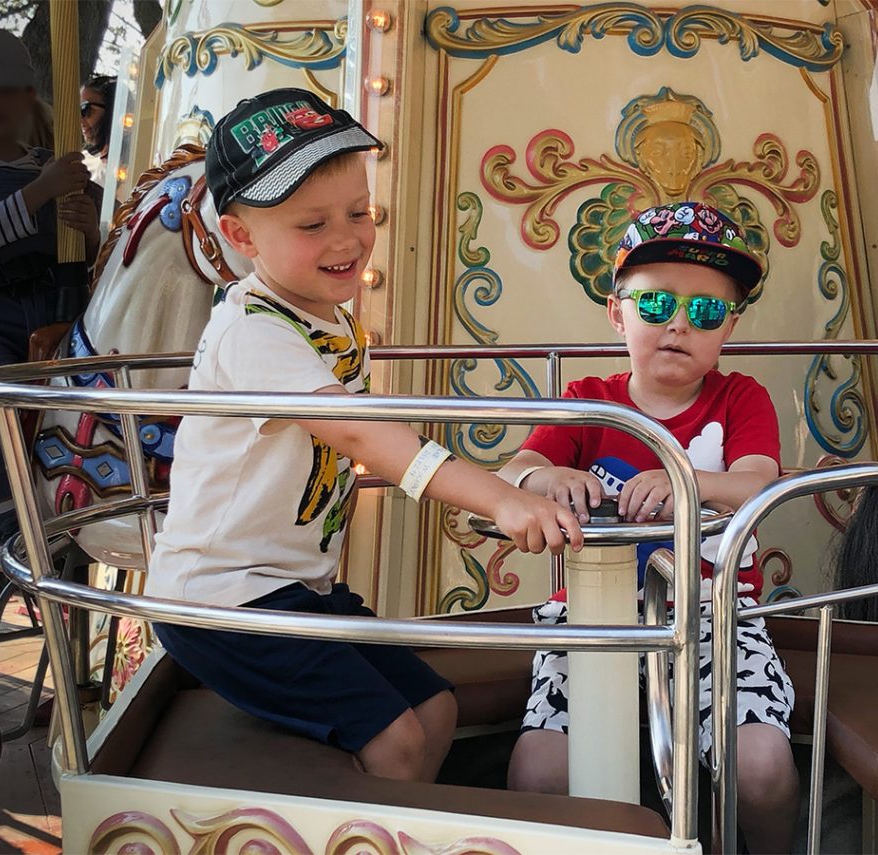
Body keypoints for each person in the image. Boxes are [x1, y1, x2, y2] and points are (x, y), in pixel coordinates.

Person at [146, 89, 584, 783]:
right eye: (312, 224)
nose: (346, 240)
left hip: (294, 586)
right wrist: (500, 498)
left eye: (359, 213)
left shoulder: (324, 315)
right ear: (241, 236)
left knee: (435, 708)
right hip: (222, 599)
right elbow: (360, 434)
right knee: (397, 741)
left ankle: (405, 823)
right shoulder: (253, 332)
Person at [500, 202, 797, 853]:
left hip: (712, 612)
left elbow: (756, 480)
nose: (679, 324)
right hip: (592, 615)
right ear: (618, 312)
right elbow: (517, 471)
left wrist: (685, 481)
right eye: (657, 304)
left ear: (729, 326)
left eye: (707, 311)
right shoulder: (587, 401)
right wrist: (552, 478)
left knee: (762, 766)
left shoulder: (740, 398)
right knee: (539, 771)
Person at [0, 25, 100, 589]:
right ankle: (1, 533)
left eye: (6, 90)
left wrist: (91, 230)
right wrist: (42, 191)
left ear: (27, 97)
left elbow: (101, 250)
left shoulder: (56, 166)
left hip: (57, 307)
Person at [79, 75, 115, 185]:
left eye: (85, 110)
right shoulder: (82, 162)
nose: (80, 120)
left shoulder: (134, 158)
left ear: (111, 110)